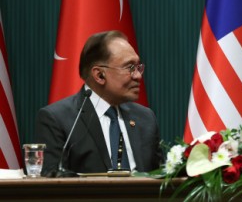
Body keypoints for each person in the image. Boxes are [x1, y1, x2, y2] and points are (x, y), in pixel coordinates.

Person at [36, 30, 163, 176]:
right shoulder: (57, 119)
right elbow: (51, 177)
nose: (138, 75)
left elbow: (161, 175)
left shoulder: (145, 118)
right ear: (99, 75)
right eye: (130, 68)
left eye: (138, 67)